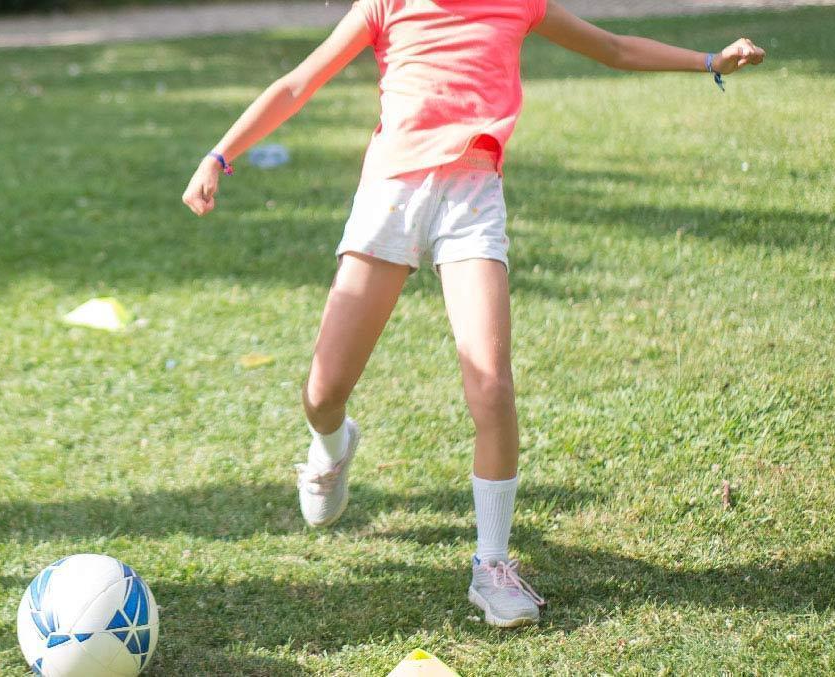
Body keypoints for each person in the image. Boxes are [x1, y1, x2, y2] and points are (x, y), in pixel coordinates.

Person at [180, 0, 765, 628]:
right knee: (323, 393)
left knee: (491, 387)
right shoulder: (387, 4)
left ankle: (492, 564)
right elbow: (298, 83)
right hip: (392, 197)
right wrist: (218, 156)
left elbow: (614, 48)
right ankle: (331, 448)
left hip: (472, 196)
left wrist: (710, 61)